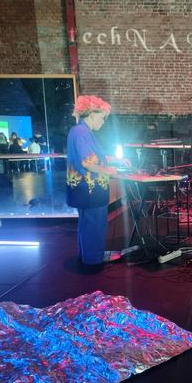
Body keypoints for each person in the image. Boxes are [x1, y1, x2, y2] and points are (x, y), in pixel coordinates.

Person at [66, 95, 130, 271]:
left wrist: (116, 160)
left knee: (87, 224)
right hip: (90, 189)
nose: (103, 122)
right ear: (92, 113)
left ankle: (87, 256)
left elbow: (95, 157)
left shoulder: (78, 131)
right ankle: (93, 261)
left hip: (82, 188)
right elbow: (88, 163)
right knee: (95, 225)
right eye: (102, 118)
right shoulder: (83, 133)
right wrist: (110, 171)